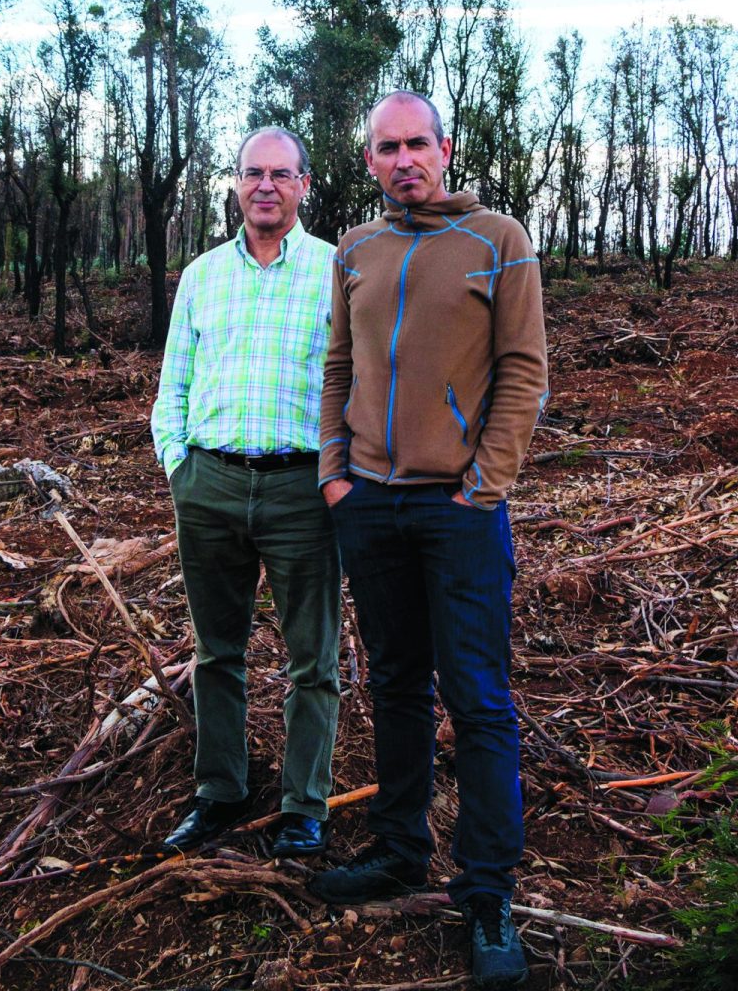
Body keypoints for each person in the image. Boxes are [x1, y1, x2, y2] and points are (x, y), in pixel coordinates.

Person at [310, 91, 547, 989]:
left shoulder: (498, 238)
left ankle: (487, 890)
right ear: (368, 161)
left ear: (444, 150)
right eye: (386, 147)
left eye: (417, 144)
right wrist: (337, 473)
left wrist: (484, 486)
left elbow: (525, 369)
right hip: (368, 503)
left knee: (479, 695)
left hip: (459, 510)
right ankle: (400, 849)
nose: (403, 159)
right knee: (397, 682)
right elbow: (340, 365)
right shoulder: (358, 251)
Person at [150, 126, 341, 859]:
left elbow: (350, 383)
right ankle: (219, 792)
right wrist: (180, 467)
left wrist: (335, 474)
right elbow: (174, 385)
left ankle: (303, 806)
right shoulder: (201, 276)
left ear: (303, 184)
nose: (266, 185)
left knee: (312, 659)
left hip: (303, 489)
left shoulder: (335, 270)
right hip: (211, 484)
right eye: (253, 173)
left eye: (281, 174)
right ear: (235, 184)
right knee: (215, 652)